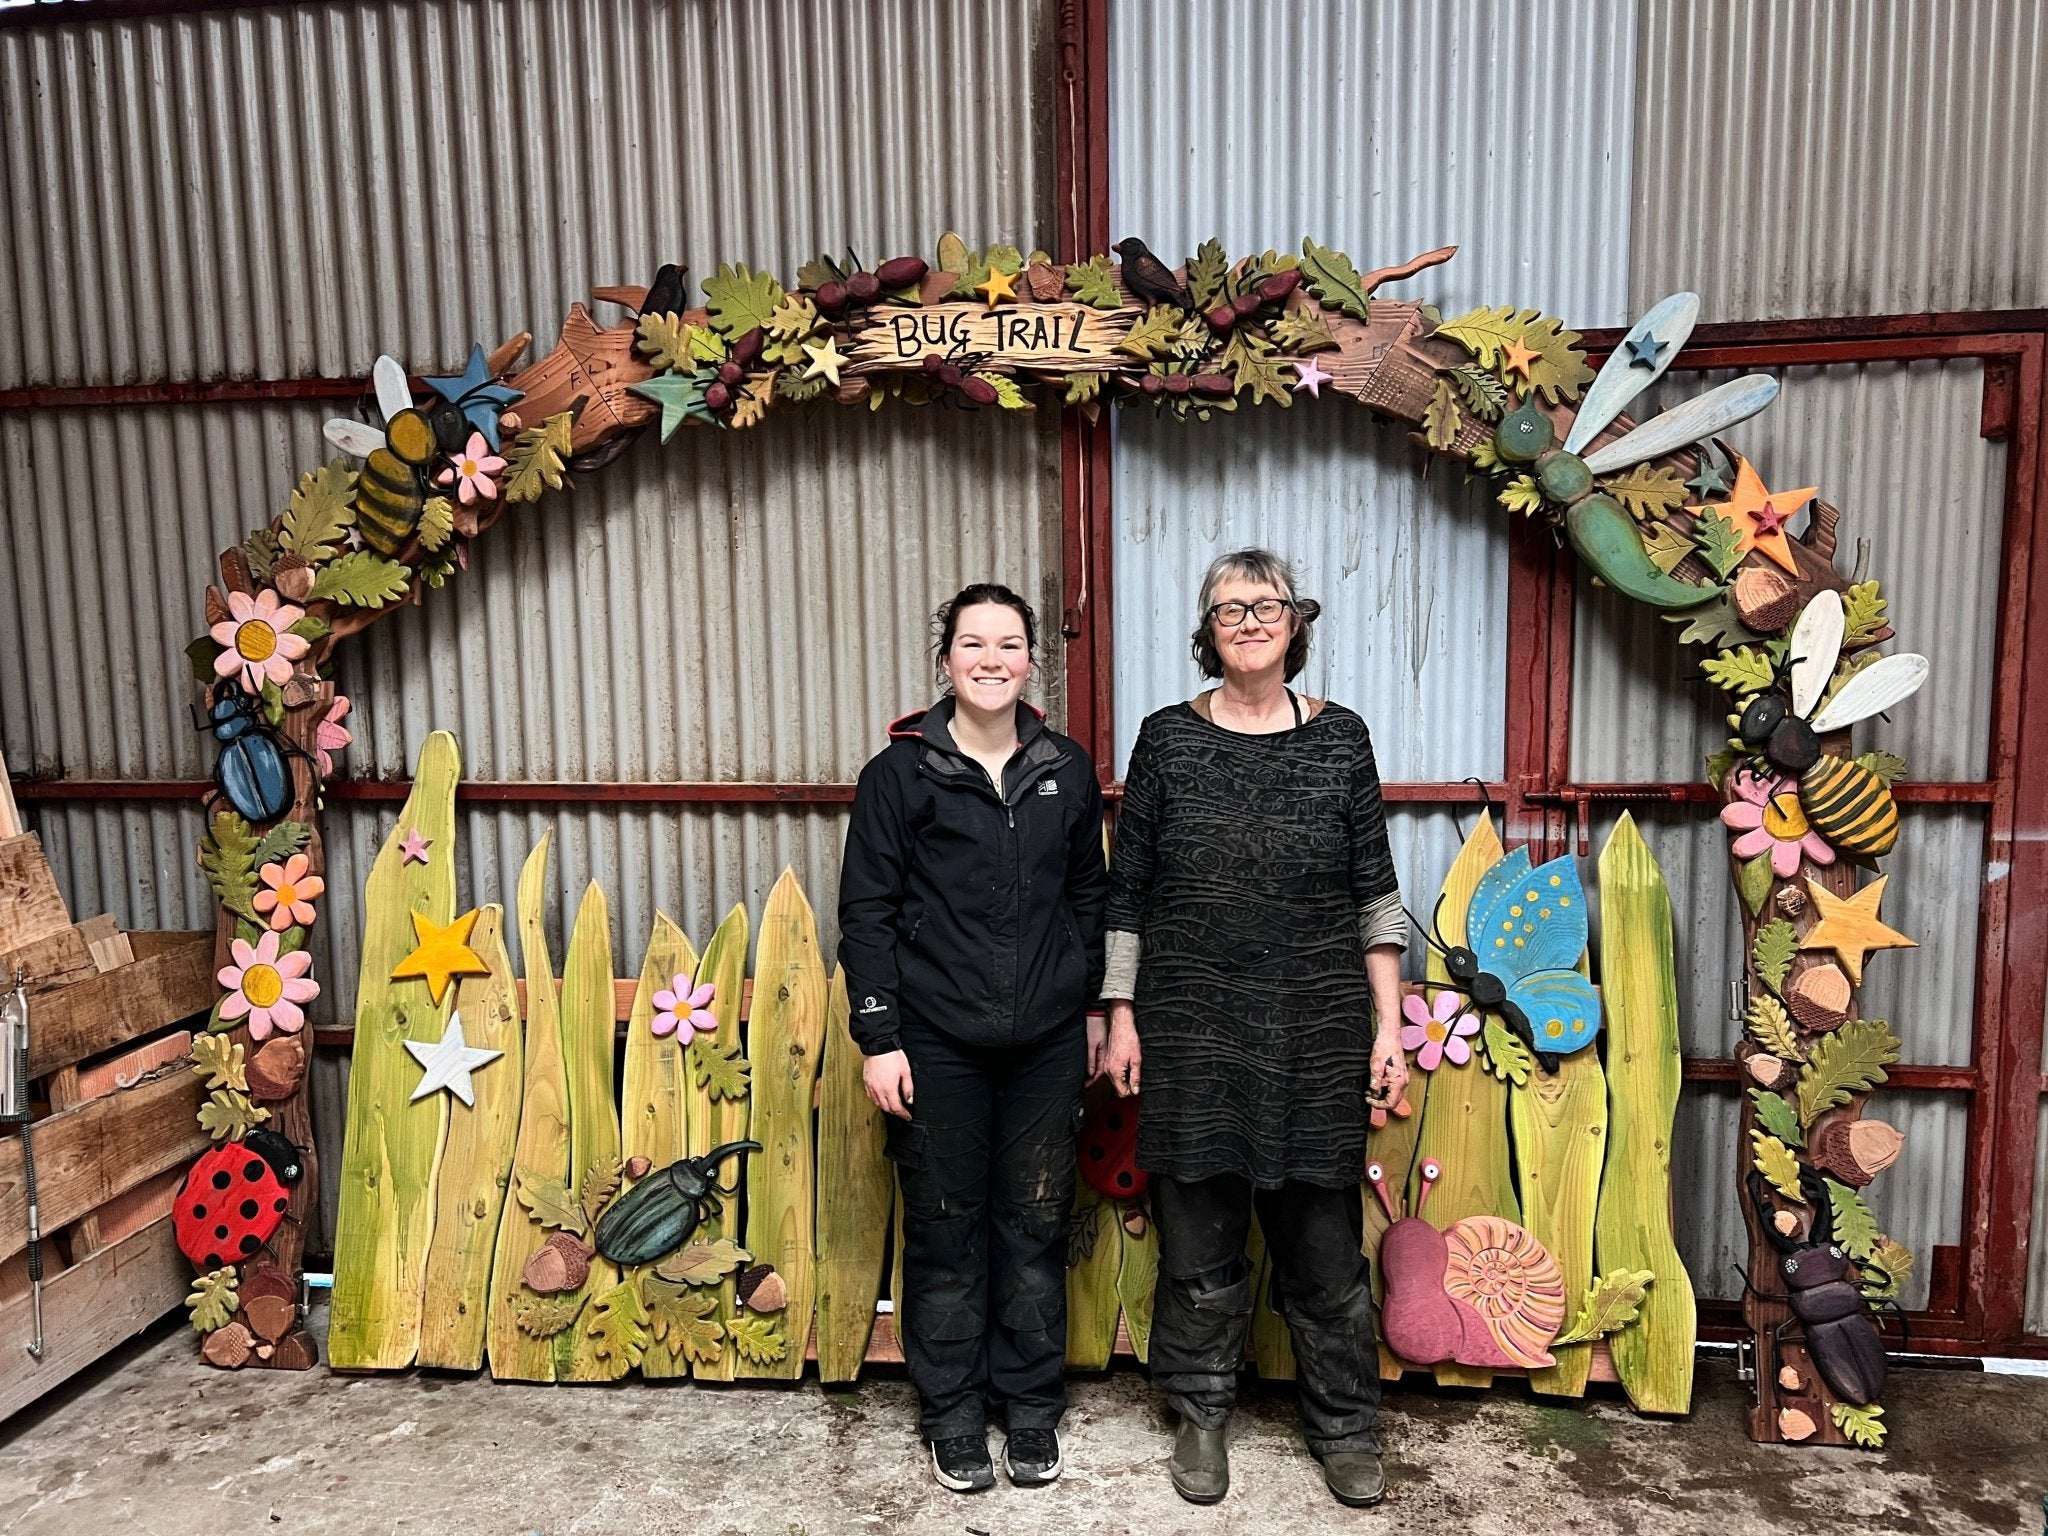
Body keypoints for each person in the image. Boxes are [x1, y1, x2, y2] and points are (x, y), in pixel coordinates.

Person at [1099, 548, 1410, 1509]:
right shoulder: (1165, 740)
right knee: (1198, 1239)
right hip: (1192, 1027)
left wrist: (1389, 1028)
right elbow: (1128, 891)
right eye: (1228, 609)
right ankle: (1201, 1413)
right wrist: (1120, 1014)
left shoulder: (1342, 738)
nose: (1248, 622)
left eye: (1266, 605)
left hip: (1319, 1029)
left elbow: (1374, 893)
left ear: (1294, 623)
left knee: (1324, 1247)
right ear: (1207, 631)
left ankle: (1345, 1425)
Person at [838, 582, 1109, 1495]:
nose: (991, 660)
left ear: (1031, 661)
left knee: (1034, 1224)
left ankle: (1029, 1408)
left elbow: (1088, 896)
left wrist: (1095, 1010)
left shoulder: (1065, 769)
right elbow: (867, 913)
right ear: (946, 657)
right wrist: (879, 1036)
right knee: (946, 1231)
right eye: (973, 643)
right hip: (936, 1042)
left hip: (1046, 1043)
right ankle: (952, 1413)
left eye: (1008, 644)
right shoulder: (900, 775)